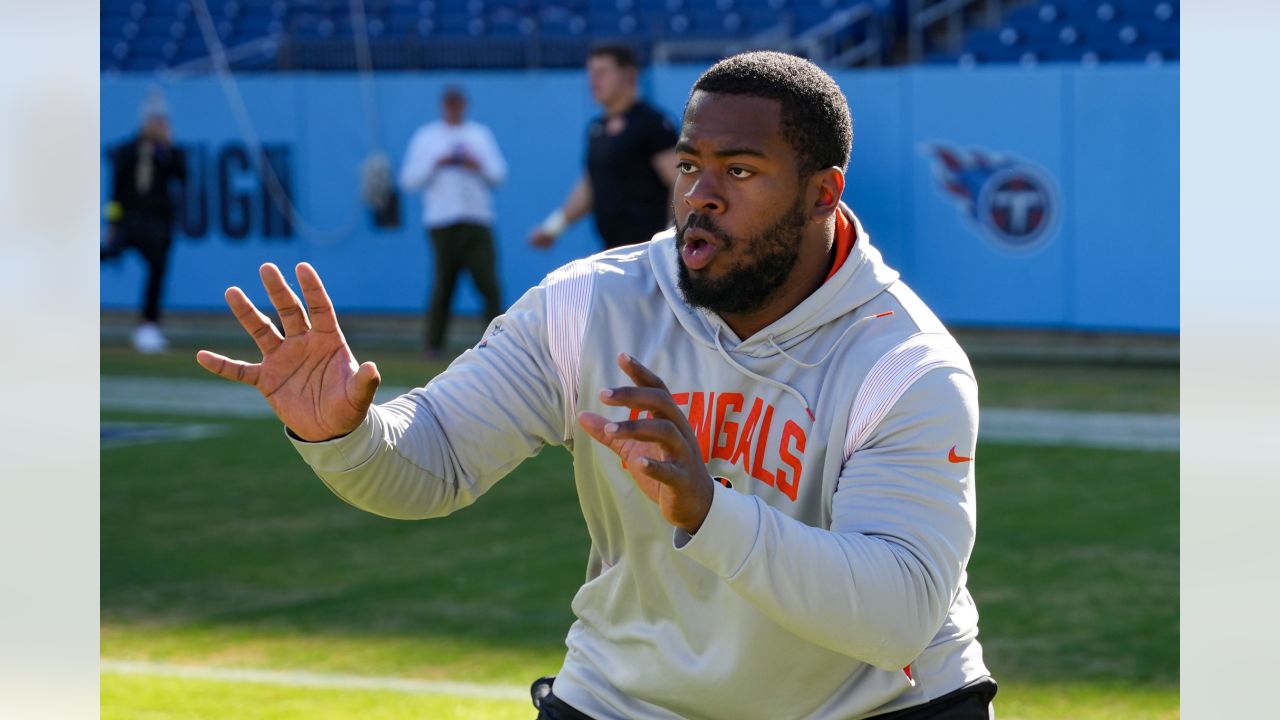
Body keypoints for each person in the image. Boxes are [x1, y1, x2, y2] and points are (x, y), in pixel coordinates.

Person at [197, 52, 996, 719]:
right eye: (690, 165)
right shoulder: (591, 304)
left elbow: (896, 619)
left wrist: (711, 513)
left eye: (740, 171)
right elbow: (432, 462)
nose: (701, 197)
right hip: (631, 700)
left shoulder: (903, 364)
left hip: (870, 710)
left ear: (824, 192)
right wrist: (345, 438)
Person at [529, 44, 678, 251]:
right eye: (591, 72)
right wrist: (553, 228)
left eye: (602, 72)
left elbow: (679, 180)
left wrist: (672, 237)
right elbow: (591, 183)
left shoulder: (652, 123)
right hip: (611, 251)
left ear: (629, 75)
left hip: (648, 253)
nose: (594, 80)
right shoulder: (596, 129)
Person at [399, 86, 508, 359]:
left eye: (458, 104)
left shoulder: (479, 135)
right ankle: (433, 344)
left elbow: (499, 174)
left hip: (477, 219)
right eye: (449, 104)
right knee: (444, 285)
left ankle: (499, 344)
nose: (454, 109)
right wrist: (436, 163)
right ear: (442, 106)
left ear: (465, 106)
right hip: (442, 221)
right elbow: (409, 179)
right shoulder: (428, 137)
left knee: (488, 283)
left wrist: (477, 165)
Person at [102, 88, 187, 354]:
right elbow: (114, 193)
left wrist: (166, 147)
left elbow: (182, 176)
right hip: (128, 221)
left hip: (156, 223)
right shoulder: (127, 151)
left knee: (157, 269)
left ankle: (148, 325)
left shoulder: (169, 153)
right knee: (103, 254)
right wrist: (112, 226)